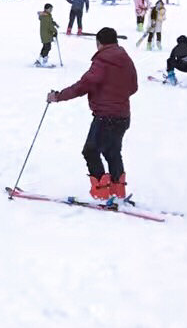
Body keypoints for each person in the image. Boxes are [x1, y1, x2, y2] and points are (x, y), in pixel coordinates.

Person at [47, 27, 137, 201]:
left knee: (90, 151)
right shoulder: (125, 59)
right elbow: (133, 87)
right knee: (112, 151)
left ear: (99, 43)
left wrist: (58, 97)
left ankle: (101, 193)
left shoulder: (102, 61)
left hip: (106, 116)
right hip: (123, 115)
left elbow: (84, 85)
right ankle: (117, 191)